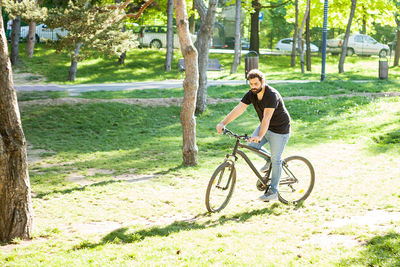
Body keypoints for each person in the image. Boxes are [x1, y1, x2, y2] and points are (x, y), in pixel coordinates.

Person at [216, 69, 291, 201]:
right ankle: (268, 161)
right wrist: (223, 123)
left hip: (280, 129)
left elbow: (267, 118)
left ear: (263, 81)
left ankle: (273, 191)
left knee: (276, 159)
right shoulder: (251, 94)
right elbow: (239, 109)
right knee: (251, 145)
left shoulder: (271, 95)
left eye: (256, 83)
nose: (253, 87)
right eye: (251, 84)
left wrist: (260, 136)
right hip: (265, 126)